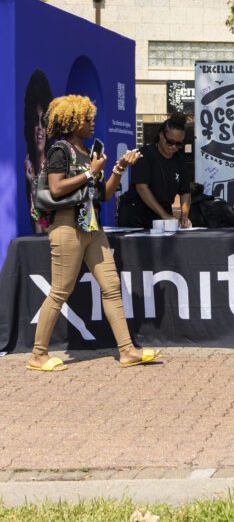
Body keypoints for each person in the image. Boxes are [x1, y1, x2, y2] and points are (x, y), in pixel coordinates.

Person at [27, 95, 157, 372]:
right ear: (73, 122)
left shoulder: (88, 153)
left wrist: (119, 168)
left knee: (111, 288)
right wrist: (89, 172)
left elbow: (104, 195)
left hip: (91, 226)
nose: (91, 124)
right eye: (87, 120)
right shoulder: (59, 150)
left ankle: (127, 351)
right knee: (60, 290)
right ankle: (38, 355)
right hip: (66, 226)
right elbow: (56, 189)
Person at [116, 114, 191, 229]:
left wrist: (184, 216)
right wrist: (165, 215)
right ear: (161, 135)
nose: (174, 147)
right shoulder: (145, 154)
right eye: (170, 142)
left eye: (179, 144)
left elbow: (185, 191)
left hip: (162, 214)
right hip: (137, 214)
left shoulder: (179, 160)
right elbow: (142, 187)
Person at [23, 70, 54, 234]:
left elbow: (44, 229)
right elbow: (37, 232)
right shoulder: (27, 168)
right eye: (36, 121)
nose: (40, 129)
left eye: (44, 121)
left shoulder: (55, 166)